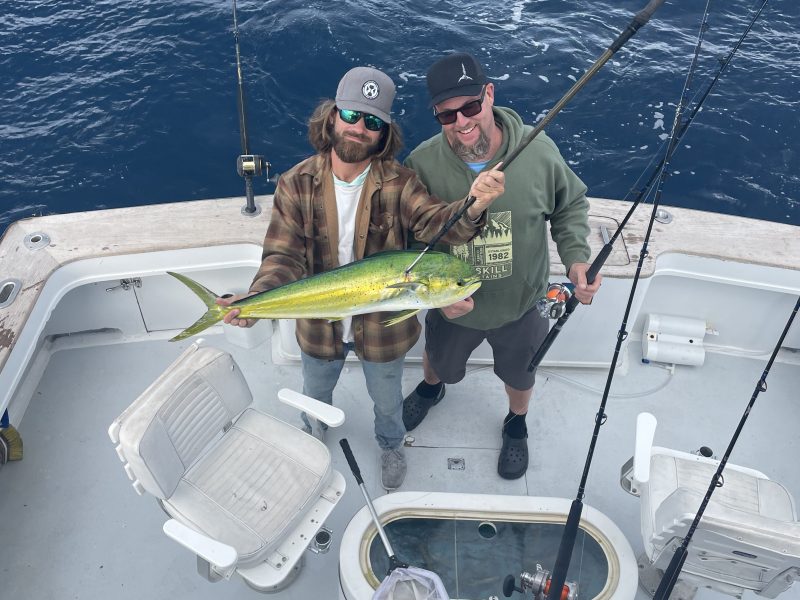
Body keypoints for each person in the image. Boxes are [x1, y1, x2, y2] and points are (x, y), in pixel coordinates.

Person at [219, 66, 505, 491]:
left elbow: (441, 225)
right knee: (314, 393)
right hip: (319, 329)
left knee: (388, 402)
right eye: (351, 115)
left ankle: (391, 444)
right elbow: (283, 255)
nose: (358, 127)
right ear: (332, 116)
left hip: (383, 336)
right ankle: (312, 435)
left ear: (383, 132)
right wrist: (256, 299)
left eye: (372, 121)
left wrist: (474, 205)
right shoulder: (295, 183)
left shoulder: (401, 183)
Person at [402, 52, 601, 480]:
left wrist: (577, 260)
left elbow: (569, 206)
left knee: (520, 375)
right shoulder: (421, 164)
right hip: (453, 307)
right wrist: (437, 298)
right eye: (447, 114)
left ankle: (515, 422)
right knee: (437, 360)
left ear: (489, 94)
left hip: (521, 305)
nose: (462, 122)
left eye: (471, 106)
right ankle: (432, 389)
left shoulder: (538, 151)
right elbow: (414, 241)